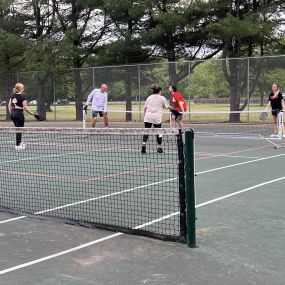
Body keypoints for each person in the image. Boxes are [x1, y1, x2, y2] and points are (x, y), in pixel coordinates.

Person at [142, 86, 170, 154]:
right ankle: (159, 147)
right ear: (160, 91)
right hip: (157, 117)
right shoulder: (162, 98)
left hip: (148, 116)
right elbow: (167, 106)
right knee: (159, 132)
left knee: (146, 131)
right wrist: (171, 107)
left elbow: (145, 108)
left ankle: (143, 144)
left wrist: (145, 116)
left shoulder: (149, 97)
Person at [8, 83, 36, 150]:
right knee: (19, 130)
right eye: (23, 88)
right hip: (19, 114)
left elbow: (9, 105)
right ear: (21, 89)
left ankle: (19, 143)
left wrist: (11, 114)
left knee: (17, 129)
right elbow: (25, 108)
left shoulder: (12, 96)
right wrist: (32, 113)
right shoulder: (22, 97)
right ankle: (17, 145)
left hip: (13, 114)